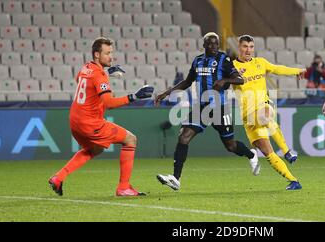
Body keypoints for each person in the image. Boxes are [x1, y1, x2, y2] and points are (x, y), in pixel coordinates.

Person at [48, 37, 154, 197]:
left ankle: (58, 178)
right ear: (97, 54)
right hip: (91, 123)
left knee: (94, 150)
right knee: (130, 139)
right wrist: (134, 96)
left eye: (111, 53)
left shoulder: (86, 68)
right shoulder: (99, 75)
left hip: (75, 122)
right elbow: (109, 103)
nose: (111, 57)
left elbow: (79, 79)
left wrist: (105, 74)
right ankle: (124, 187)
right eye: (107, 53)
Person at [154, 32, 259, 191]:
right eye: (210, 44)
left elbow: (239, 79)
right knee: (184, 137)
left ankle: (251, 155)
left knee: (230, 146)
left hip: (219, 108)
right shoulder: (198, 61)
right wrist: (167, 92)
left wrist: (224, 80)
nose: (214, 47)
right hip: (201, 107)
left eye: (216, 44)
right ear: (204, 45)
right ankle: (176, 178)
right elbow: (188, 82)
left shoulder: (224, 60)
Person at [232, 34, 306, 190]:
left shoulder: (260, 62)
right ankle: (293, 181)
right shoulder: (231, 67)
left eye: (251, 47)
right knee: (268, 152)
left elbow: (278, 69)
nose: (248, 50)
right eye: (245, 46)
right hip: (247, 117)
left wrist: (296, 71)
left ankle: (287, 151)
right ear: (239, 47)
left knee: (265, 115)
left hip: (263, 105)